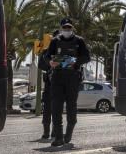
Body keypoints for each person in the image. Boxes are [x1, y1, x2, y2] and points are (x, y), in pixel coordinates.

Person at [46, 17, 91, 147]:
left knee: (71, 107)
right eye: (65, 27)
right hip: (57, 77)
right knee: (56, 107)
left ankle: (69, 132)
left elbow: (87, 57)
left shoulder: (79, 41)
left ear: (72, 28)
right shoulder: (55, 41)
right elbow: (47, 55)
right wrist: (50, 62)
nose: (67, 30)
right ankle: (58, 137)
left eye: (69, 27)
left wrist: (75, 61)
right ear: (61, 28)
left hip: (72, 77)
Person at [39, 29, 59, 141]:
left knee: (57, 110)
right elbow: (41, 65)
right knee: (47, 110)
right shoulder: (47, 51)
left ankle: (55, 132)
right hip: (49, 85)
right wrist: (50, 64)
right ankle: (46, 132)